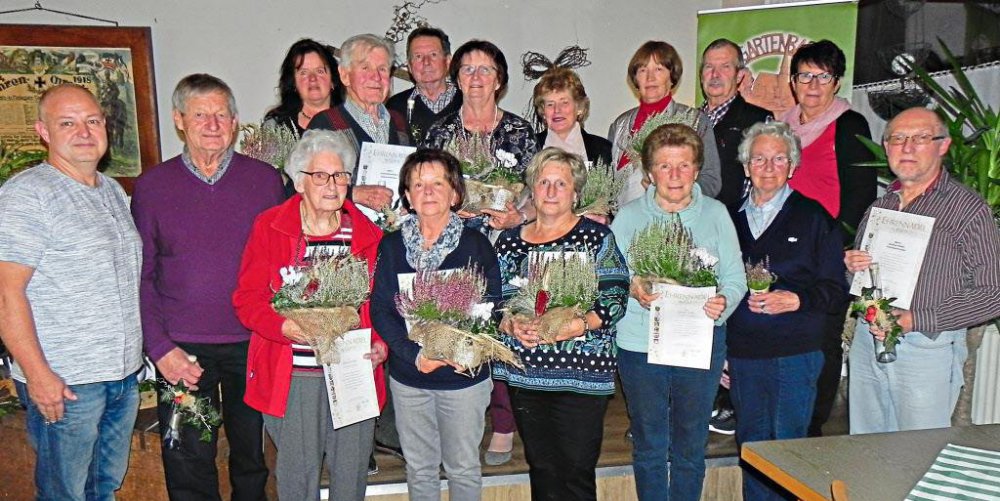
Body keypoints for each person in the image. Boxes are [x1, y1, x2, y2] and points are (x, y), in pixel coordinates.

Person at [131, 74, 282, 501]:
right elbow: (140, 275)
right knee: (187, 456)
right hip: (183, 350)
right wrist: (159, 347)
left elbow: (282, 265)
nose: (212, 124)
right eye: (201, 114)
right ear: (180, 120)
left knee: (252, 454)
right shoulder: (153, 187)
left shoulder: (265, 182)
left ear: (235, 122)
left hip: (251, 344)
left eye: (221, 114)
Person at [0, 83, 142, 501]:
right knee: (65, 493)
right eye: (68, 123)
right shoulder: (28, 195)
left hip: (121, 375)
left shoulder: (111, 190)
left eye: (92, 120)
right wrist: (38, 375)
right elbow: (6, 293)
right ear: (43, 131)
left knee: (103, 487)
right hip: (66, 383)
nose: (84, 131)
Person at [232, 129, 388, 500]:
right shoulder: (270, 227)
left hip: (352, 371)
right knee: (298, 480)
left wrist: (381, 345)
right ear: (299, 182)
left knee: (351, 478)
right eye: (321, 176)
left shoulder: (367, 235)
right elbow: (247, 300)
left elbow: (379, 306)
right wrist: (285, 326)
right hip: (295, 375)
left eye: (340, 176)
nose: (332, 185)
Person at [610, 124, 746, 501]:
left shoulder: (716, 214)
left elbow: (735, 279)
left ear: (696, 168)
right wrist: (631, 284)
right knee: (650, 443)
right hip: (640, 345)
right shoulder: (628, 217)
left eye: (683, 165)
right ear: (649, 172)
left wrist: (722, 303)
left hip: (697, 342)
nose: (674, 175)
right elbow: (611, 277)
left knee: (690, 444)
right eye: (664, 166)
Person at [845, 107, 1000, 434]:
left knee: (917, 454)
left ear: (943, 146)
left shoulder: (967, 209)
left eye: (920, 138)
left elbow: (991, 294)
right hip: (868, 338)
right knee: (863, 448)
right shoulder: (879, 207)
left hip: (926, 347)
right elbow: (859, 282)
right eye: (898, 139)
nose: (907, 147)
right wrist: (851, 267)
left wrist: (915, 320)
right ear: (886, 148)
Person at [492, 147, 629, 500]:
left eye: (561, 184)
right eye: (543, 182)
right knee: (542, 468)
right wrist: (509, 324)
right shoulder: (509, 241)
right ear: (532, 190)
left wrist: (580, 325)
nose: (551, 191)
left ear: (575, 192)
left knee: (576, 471)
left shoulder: (597, 238)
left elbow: (616, 296)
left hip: (582, 375)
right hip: (527, 374)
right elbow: (493, 302)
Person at [726, 121, 848, 500]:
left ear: (792, 166)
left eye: (779, 158)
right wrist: (719, 355)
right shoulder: (727, 219)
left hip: (796, 355)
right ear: (746, 166)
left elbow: (836, 290)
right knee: (752, 451)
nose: (768, 166)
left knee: (791, 454)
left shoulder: (815, 218)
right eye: (758, 158)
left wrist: (797, 299)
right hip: (744, 356)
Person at [370, 149, 501, 501]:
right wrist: (415, 356)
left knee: (463, 468)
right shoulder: (392, 246)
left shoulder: (476, 245)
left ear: (455, 194)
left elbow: (493, 307)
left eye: (437, 183)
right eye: (418, 184)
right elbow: (380, 308)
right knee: (420, 468)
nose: (427, 191)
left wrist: (465, 352)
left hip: (463, 379)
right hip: (410, 377)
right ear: (408, 196)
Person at [779, 39, 876, 437]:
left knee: (822, 338)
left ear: (836, 82)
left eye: (824, 76)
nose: (813, 84)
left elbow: (860, 195)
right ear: (793, 81)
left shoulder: (850, 125)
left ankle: (812, 425)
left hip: (826, 253)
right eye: (806, 75)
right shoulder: (779, 127)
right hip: (781, 252)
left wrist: (835, 249)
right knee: (785, 334)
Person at [699, 38, 773, 436]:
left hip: (738, 236)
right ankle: (706, 398)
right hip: (695, 239)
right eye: (709, 67)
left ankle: (731, 402)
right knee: (703, 316)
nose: (715, 74)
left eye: (724, 67)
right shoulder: (692, 121)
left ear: (740, 75)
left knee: (735, 316)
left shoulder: (758, 119)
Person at [423, 39, 539, 232]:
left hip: (504, 240)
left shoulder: (521, 132)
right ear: (459, 81)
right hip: (448, 239)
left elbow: (541, 193)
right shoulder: (439, 132)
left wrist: (519, 217)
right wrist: (445, 208)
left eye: (485, 70)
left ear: (498, 81)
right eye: (467, 69)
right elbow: (420, 190)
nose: (475, 77)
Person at [608, 41, 721, 206]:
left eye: (659, 69)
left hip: (678, 223)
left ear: (672, 76)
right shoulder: (619, 125)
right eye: (643, 70)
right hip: (625, 225)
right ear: (635, 78)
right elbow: (608, 182)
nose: (650, 77)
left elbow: (711, 180)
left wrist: (677, 197)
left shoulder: (694, 121)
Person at [307, 33, 404, 214]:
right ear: (344, 76)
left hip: (394, 234)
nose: (376, 77)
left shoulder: (400, 122)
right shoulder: (326, 124)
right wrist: (354, 194)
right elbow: (304, 186)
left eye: (382, 69)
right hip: (346, 233)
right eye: (365, 68)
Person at [387, 27, 462, 143]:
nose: (426, 62)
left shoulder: (467, 103)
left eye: (433, 55)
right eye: (418, 56)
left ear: (447, 62)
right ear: (410, 66)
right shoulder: (395, 107)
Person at [264, 38, 343, 137]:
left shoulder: (351, 123)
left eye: (320, 71)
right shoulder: (276, 126)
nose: (313, 78)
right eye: (304, 73)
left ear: (333, 80)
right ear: (293, 83)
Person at [533, 68, 612, 166]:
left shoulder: (603, 149)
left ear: (579, 108)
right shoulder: (528, 147)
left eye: (564, 103)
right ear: (543, 111)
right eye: (550, 104)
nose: (557, 110)